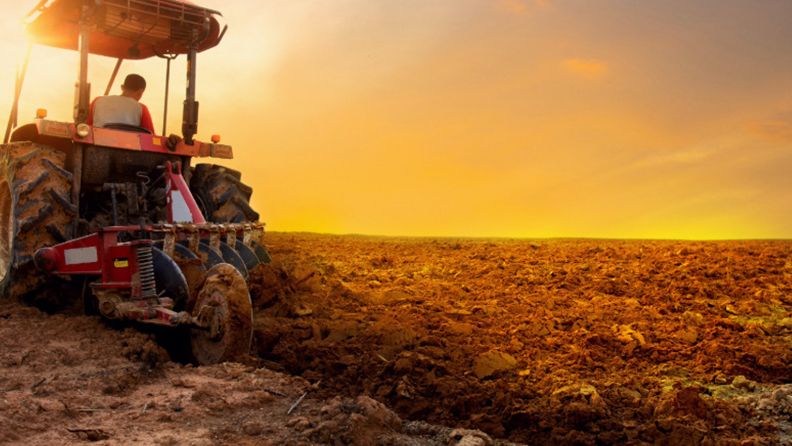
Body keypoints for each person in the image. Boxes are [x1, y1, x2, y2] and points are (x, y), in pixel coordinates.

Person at [87, 74, 156, 134]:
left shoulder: (97, 101)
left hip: (96, 147)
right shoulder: (141, 108)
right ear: (140, 92)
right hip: (127, 147)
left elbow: (86, 126)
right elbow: (150, 135)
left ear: (122, 87)